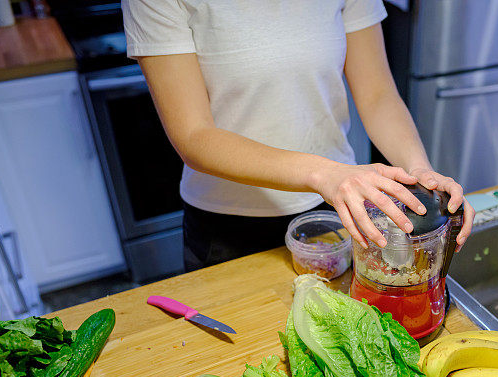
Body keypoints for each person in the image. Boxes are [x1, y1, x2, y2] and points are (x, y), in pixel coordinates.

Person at [122, 0, 475, 271]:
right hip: (229, 227)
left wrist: (420, 172)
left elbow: (377, 94)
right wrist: (326, 174)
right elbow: (194, 135)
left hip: (340, 208)